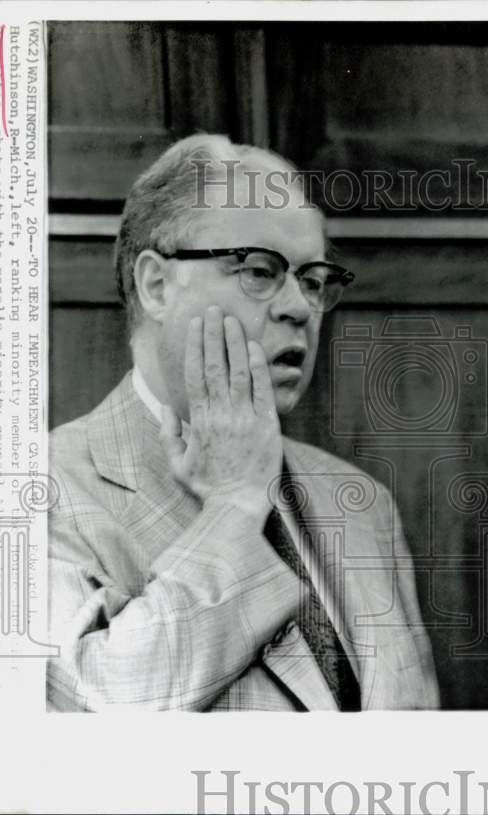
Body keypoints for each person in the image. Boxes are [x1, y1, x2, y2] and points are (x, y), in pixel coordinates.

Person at [47, 134, 439, 711]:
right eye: (261, 271)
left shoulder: (363, 505)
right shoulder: (32, 490)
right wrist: (234, 506)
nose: (300, 308)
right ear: (156, 285)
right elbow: (93, 713)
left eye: (311, 279)